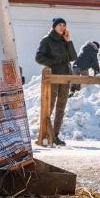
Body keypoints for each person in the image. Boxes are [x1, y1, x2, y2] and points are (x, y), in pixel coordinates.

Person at [35, 17, 77, 146]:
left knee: (61, 108)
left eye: (64, 25)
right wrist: (54, 64)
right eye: (59, 24)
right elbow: (39, 57)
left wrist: (68, 42)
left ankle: (56, 136)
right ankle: (46, 134)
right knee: (50, 107)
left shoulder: (64, 41)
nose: (62, 27)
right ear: (54, 26)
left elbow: (73, 57)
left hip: (65, 78)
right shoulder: (47, 40)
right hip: (53, 78)